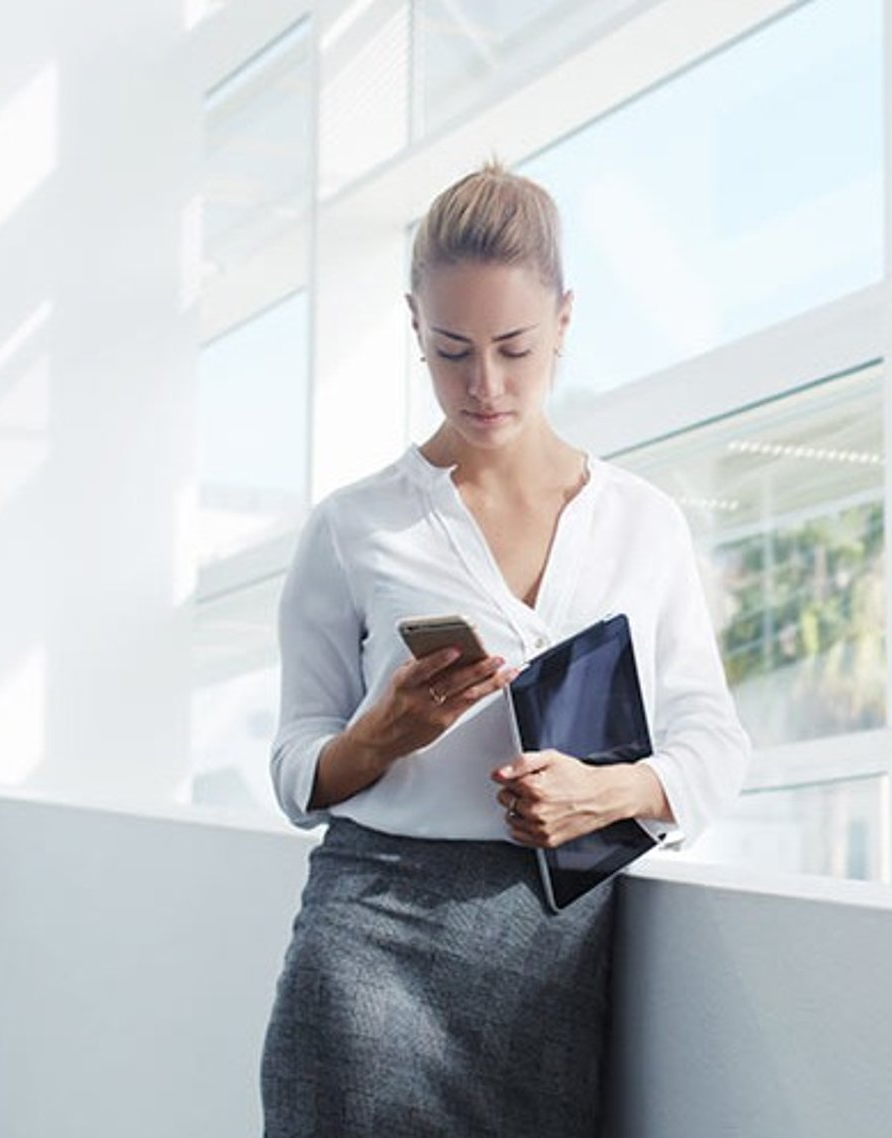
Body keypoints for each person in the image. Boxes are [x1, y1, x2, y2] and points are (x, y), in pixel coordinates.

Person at [259, 162, 749, 1136]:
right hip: (368, 948)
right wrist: (380, 735)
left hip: (551, 959)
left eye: (514, 348)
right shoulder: (356, 526)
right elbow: (292, 768)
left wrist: (604, 794)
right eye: (451, 352)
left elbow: (715, 745)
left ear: (565, 319)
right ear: (414, 327)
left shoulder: (640, 524)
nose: (484, 385)